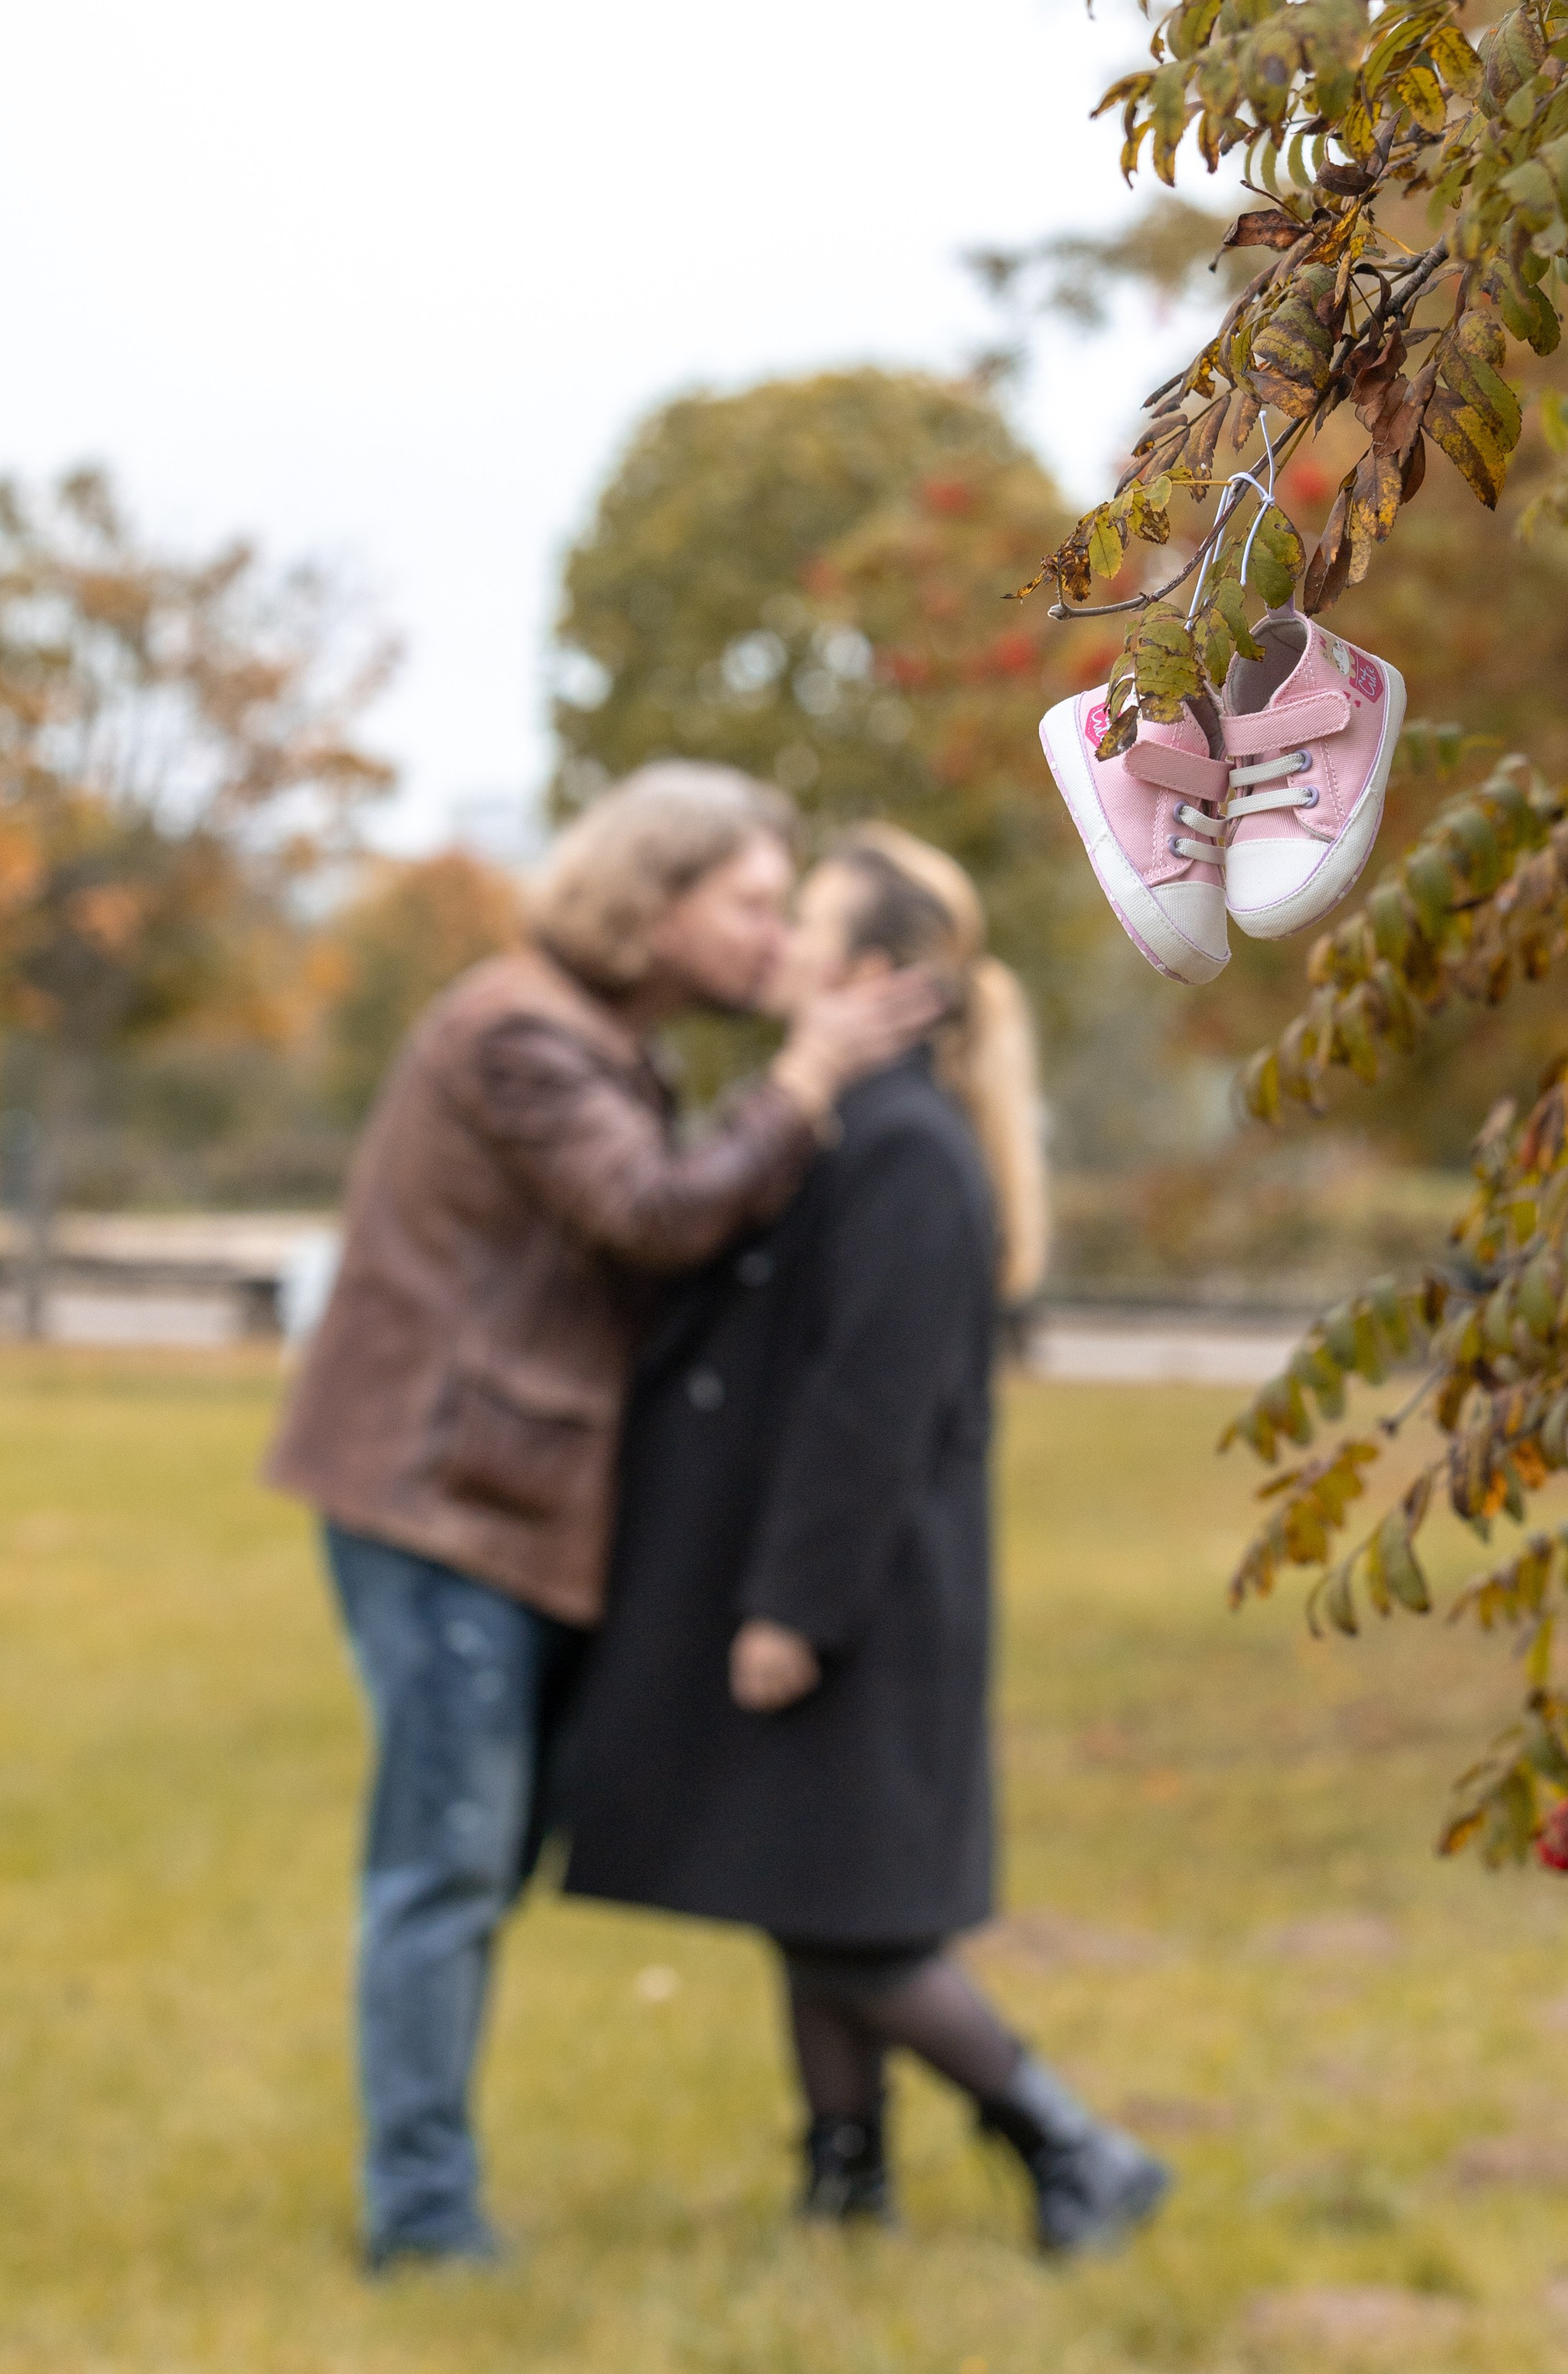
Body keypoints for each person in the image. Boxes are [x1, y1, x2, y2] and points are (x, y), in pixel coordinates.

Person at [266, 765, 941, 2272]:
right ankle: (423, 2224)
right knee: (442, 1862)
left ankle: (427, 2195)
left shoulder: (598, 1040)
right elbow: (650, 1214)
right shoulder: (517, 1031)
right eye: (749, 904)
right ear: (655, 899)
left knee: (472, 1859)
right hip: (441, 1500)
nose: (775, 940)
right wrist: (809, 1076)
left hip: (504, 1498)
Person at [563, 826, 1173, 2255]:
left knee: (851, 1915)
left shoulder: (902, 1151)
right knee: (804, 1880)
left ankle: (1070, 2142)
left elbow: (869, 1411)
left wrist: (794, 1608)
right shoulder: (856, 1128)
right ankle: (846, 2185)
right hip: (840, 1585)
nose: (774, 948)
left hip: (866, 1597)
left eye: (804, 926)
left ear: (874, 972)